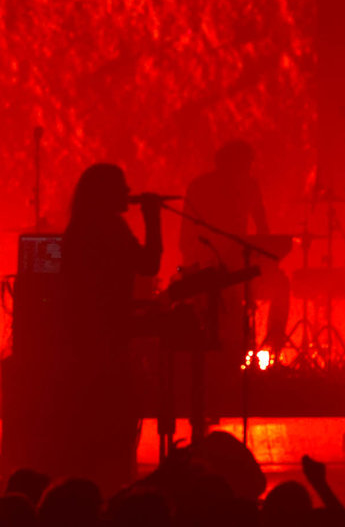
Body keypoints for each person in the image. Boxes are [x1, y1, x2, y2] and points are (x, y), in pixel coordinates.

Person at [58, 162, 164, 487]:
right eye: (122, 186)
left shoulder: (81, 228)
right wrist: (152, 217)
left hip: (85, 334)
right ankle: (113, 482)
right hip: (105, 334)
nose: (128, 193)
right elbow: (148, 264)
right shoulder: (111, 228)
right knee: (113, 414)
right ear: (106, 193)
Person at [182, 139, 292, 358]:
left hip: (242, 265)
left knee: (280, 284)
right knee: (228, 300)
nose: (248, 169)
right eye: (244, 164)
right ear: (226, 163)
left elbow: (262, 229)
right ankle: (228, 349)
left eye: (248, 164)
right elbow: (186, 237)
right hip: (209, 265)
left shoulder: (251, 186)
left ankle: (274, 346)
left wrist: (267, 259)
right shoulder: (200, 187)